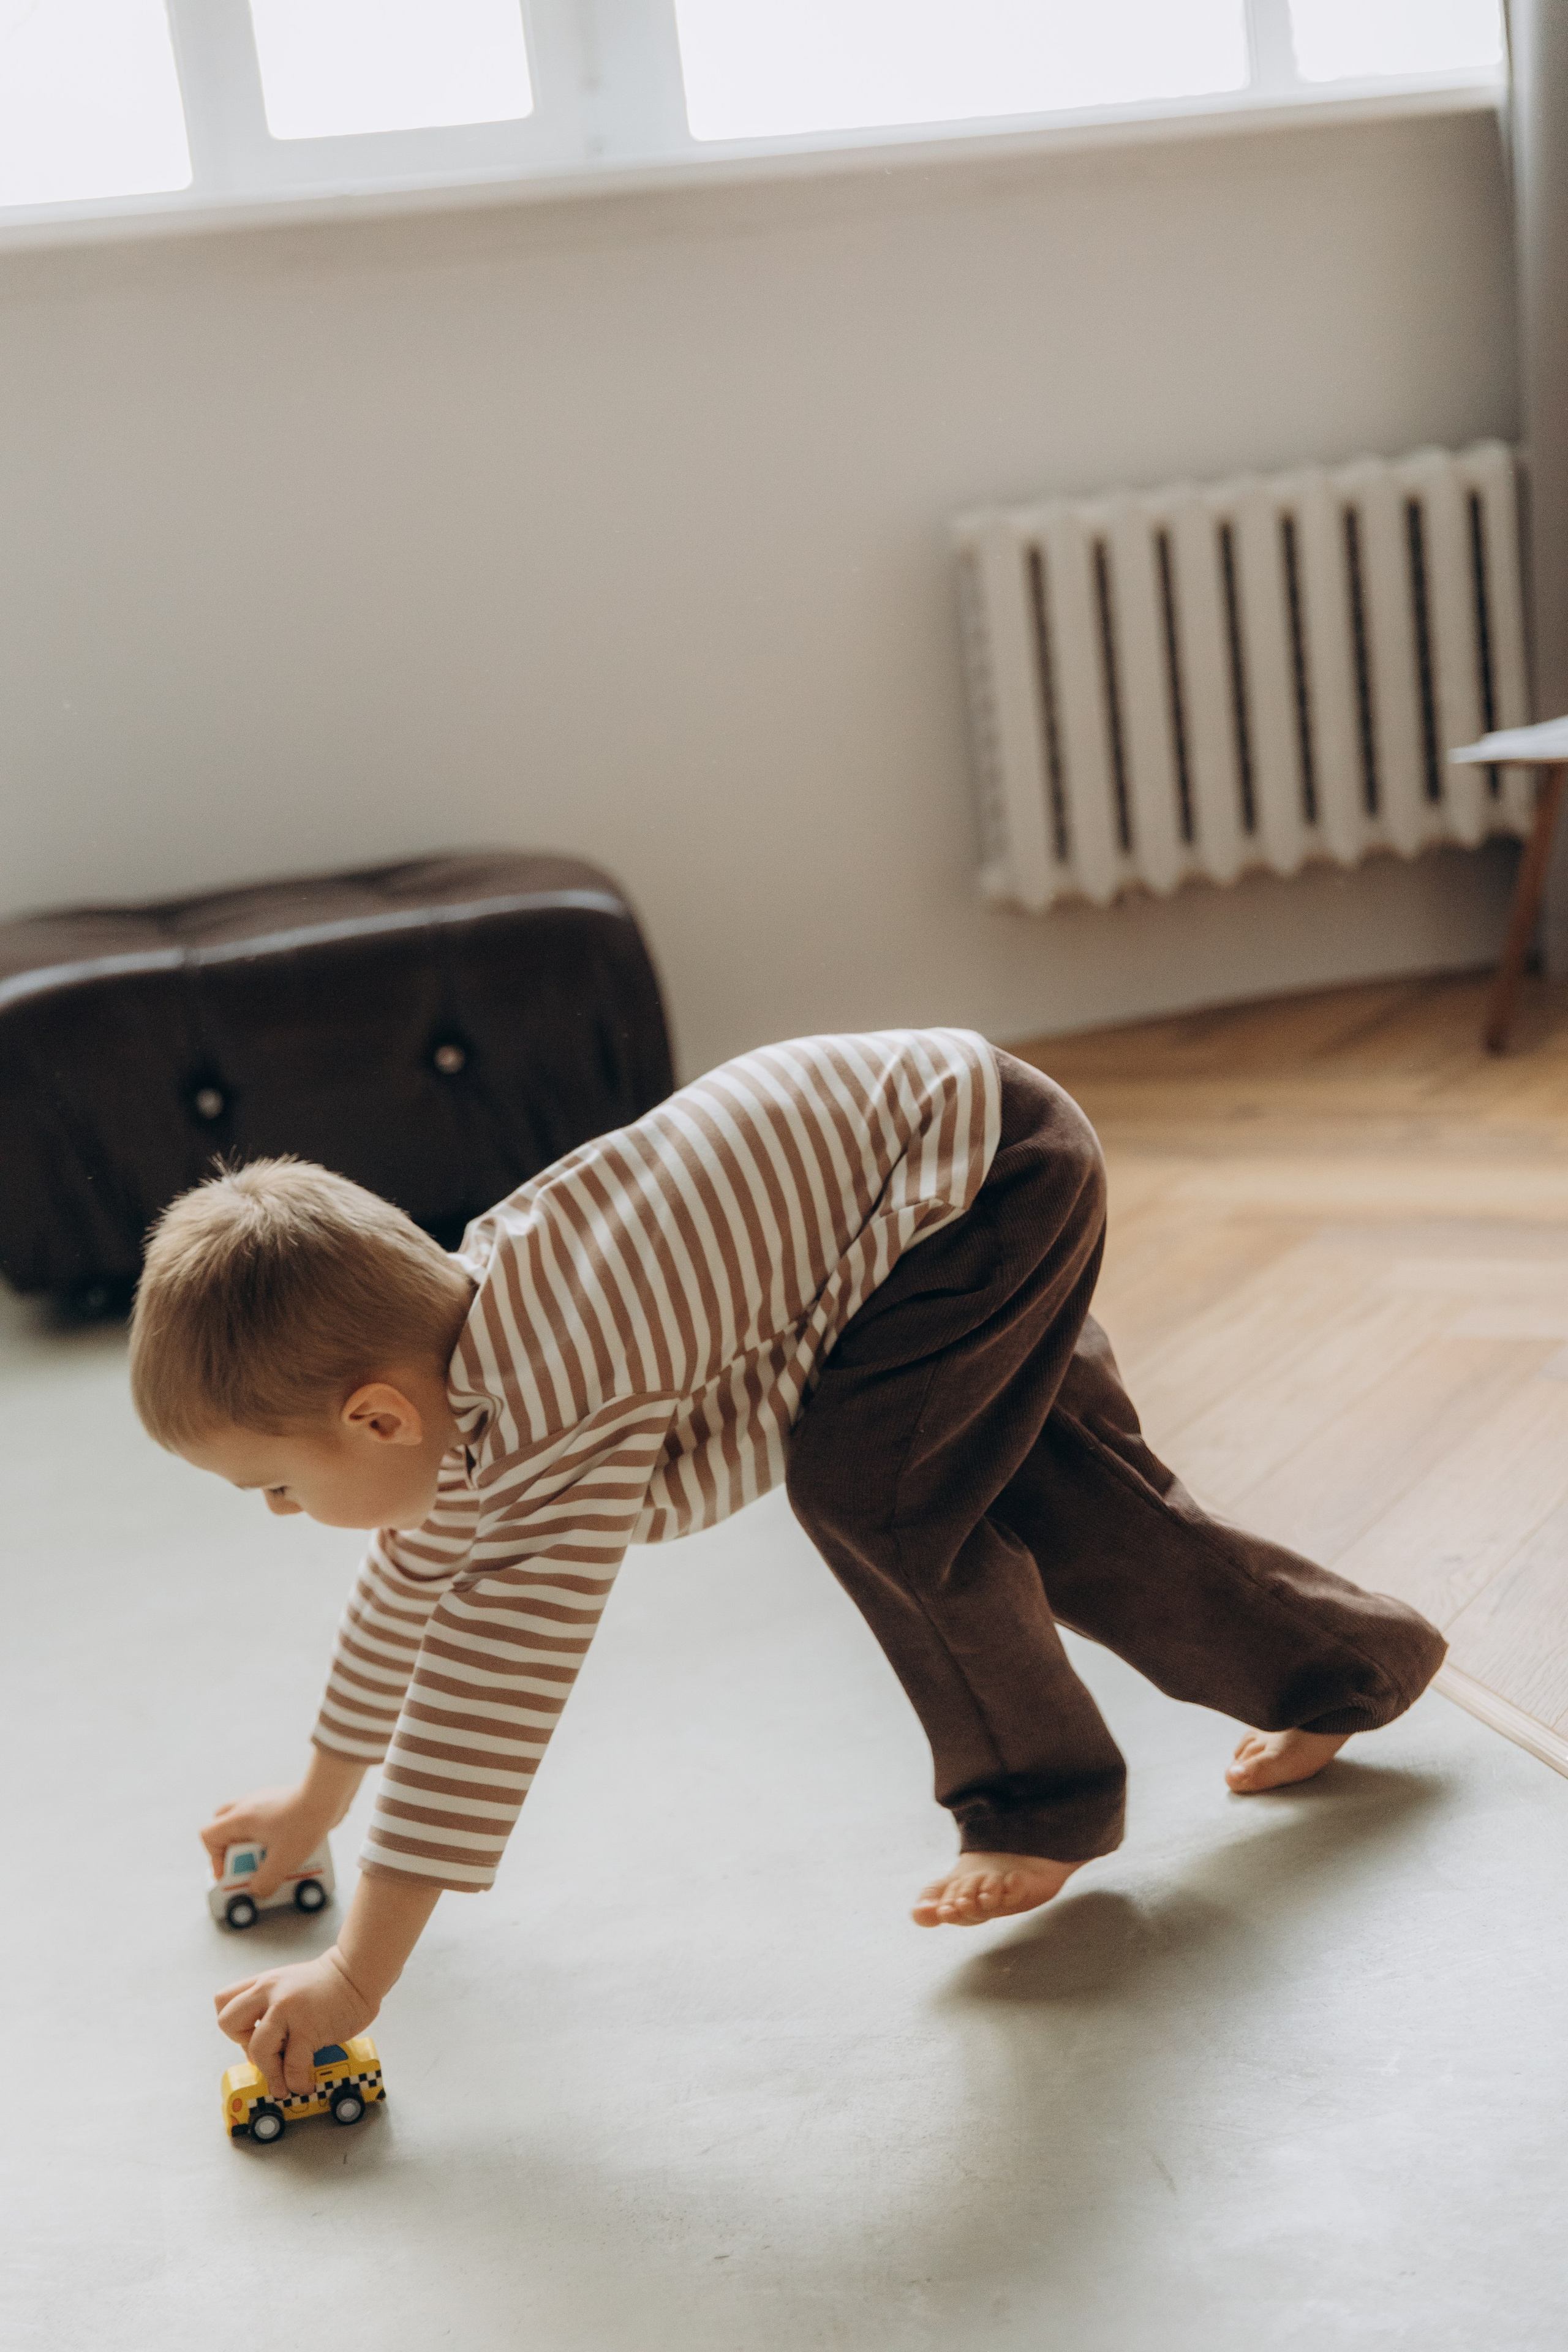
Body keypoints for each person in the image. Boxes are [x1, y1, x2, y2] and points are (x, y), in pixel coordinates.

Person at [129, 1029, 1446, 2104]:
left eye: (277, 1487)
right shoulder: (461, 1362)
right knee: (1070, 1496)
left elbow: (481, 1704)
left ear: (377, 1419)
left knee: (879, 1500)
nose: (284, 1515)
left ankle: (1038, 1802)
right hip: (935, 1172)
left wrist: (356, 1977)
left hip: (973, 1184)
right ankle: (1345, 1670)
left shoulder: (551, 1404)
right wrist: (314, 1799)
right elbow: (414, 1588)